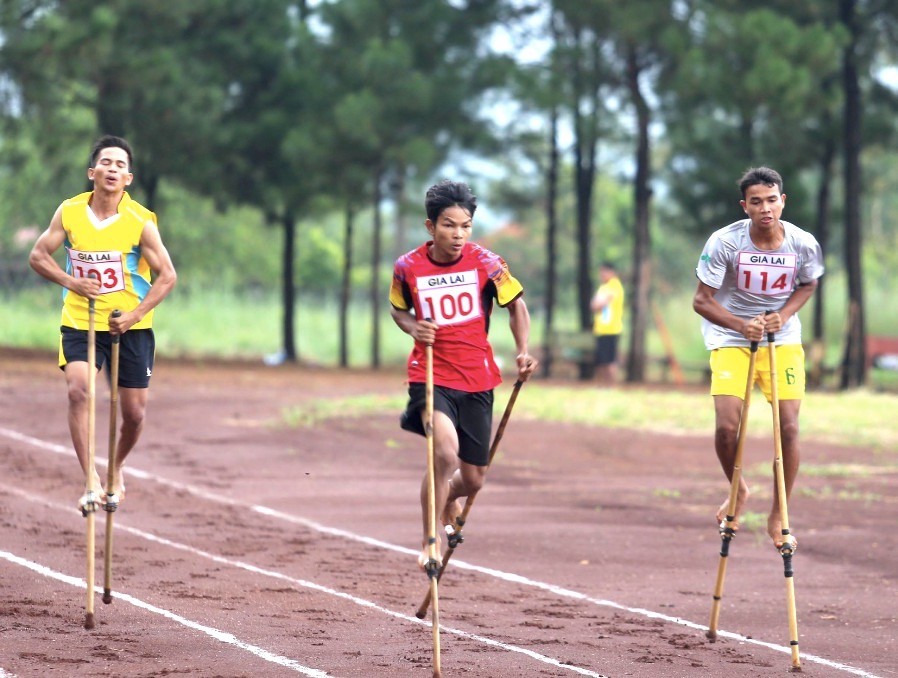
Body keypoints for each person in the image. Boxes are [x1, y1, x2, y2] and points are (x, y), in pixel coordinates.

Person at [389, 179, 538, 568]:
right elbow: (398, 309)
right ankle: (429, 542)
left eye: (465, 226)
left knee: (473, 480)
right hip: (431, 374)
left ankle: (448, 498)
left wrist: (523, 351)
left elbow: (517, 307)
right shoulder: (407, 267)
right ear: (430, 226)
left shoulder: (488, 263)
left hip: (478, 380)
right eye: (448, 225)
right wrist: (411, 327)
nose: (457, 234)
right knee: (444, 452)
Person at [29, 135, 177, 511]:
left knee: (134, 414)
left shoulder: (141, 221)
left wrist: (133, 316)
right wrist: (71, 282)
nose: (112, 169)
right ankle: (90, 479)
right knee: (78, 391)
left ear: (128, 178)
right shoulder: (70, 212)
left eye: (120, 165)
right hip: (81, 320)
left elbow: (167, 277)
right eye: (106, 163)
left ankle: (115, 466)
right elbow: (38, 256)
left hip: (130, 328)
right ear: (92, 172)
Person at [693, 166, 823, 550]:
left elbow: (809, 283)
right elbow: (701, 300)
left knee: (790, 427)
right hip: (731, 338)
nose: (765, 209)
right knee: (726, 428)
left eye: (771, 200)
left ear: (782, 201)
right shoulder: (725, 243)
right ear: (744, 206)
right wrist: (740, 324)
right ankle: (738, 489)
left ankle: (779, 511)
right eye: (756, 202)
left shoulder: (803, 243)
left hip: (781, 339)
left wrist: (784, 315)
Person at [590, 261, 625, 384]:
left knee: (610, 360)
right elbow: (594, 305)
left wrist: (599, 303)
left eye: (604, 271)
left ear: (611, 272)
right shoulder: (603, 287)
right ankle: (602, 385)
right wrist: (598, 303)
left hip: (612, 329)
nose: (602, 274)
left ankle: (612, 385)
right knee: (601, 361)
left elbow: (600, 303)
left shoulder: (615, 285)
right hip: (601, 329)